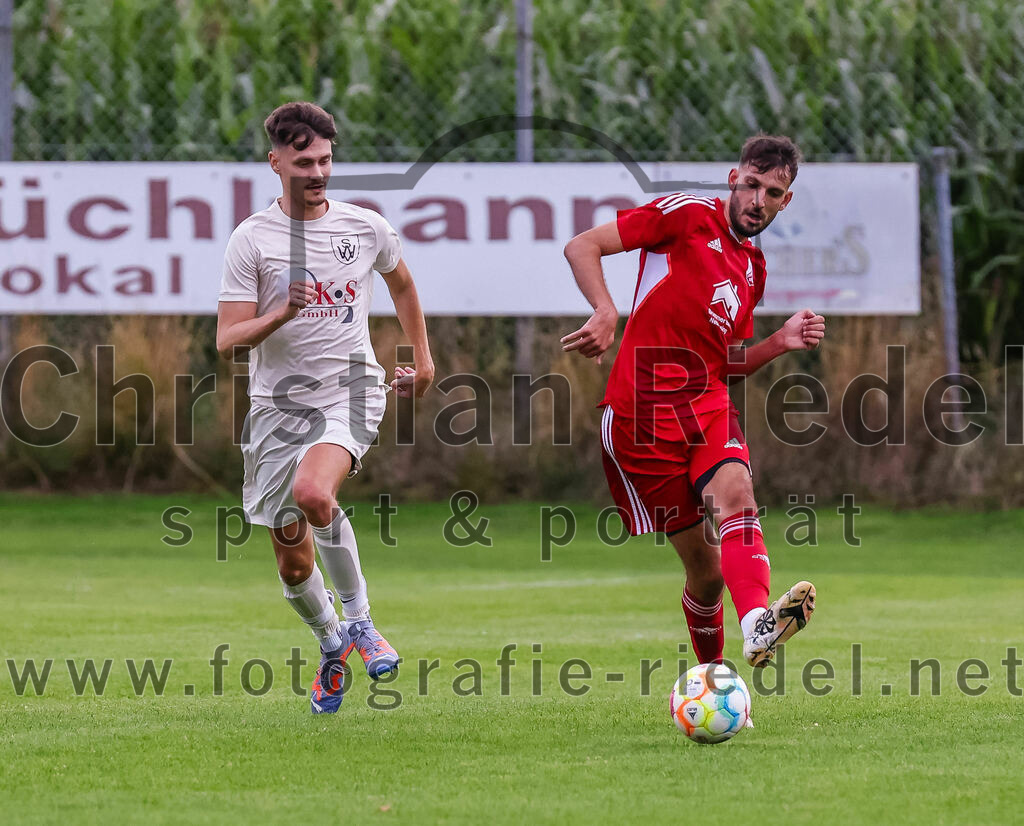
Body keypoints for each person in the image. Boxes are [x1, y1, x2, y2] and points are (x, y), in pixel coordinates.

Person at [561, 135, 824, 668]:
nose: (757, 200)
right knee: (705, 577)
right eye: (751, 185)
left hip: (705, 403)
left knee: (738, 495)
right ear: (733, 178)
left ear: (785, 201)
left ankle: (756, 625)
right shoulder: (685, 215)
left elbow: (724, 360)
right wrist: (605, 309)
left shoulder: (754, 269)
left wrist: (780, 342)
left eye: (772, 192)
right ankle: (712, 674)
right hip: (640, 415)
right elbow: (581, 245)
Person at [216, 102, 434, 713]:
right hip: (276, 410)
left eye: (326, 160)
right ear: (275, 162)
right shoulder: (251, 240)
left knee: (316, 495)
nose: (318, 172)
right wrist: (279, 313)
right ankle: (331, 643)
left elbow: (402, 283)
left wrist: (424, 357)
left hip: (354, 389)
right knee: (290, 561)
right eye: (304, 161)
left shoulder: (365, 228)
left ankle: (361, 621)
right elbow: (227, 339)